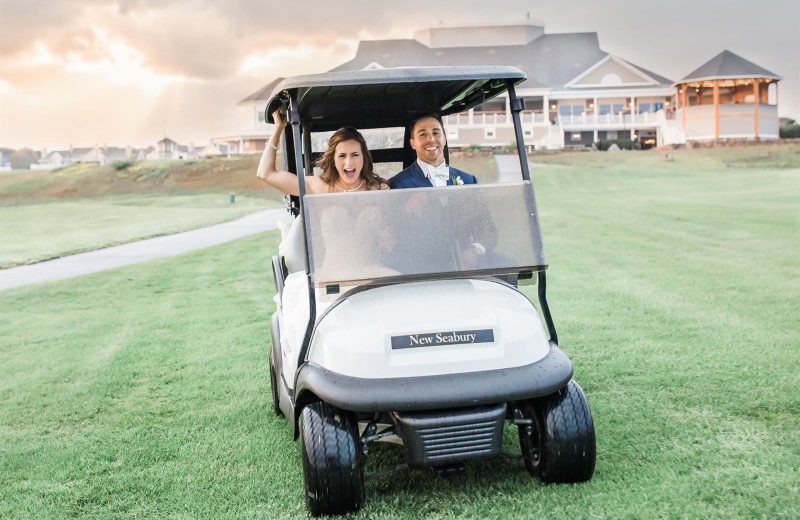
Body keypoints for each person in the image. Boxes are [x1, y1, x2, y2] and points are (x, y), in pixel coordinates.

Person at [257, 109, 388, 194]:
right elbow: (265, 173)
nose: (349, 162)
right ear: (333, 160)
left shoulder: (379, 189)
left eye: (355, 155)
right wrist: (278, 128)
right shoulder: (318, 186)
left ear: (364, 158)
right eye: (342, 156)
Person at [388, 113, 477, 189]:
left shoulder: (469, 181)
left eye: (435, 133)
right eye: (423, 134)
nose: (431, 139)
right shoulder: (396, 184)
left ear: (445, 139)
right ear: (413, 143)